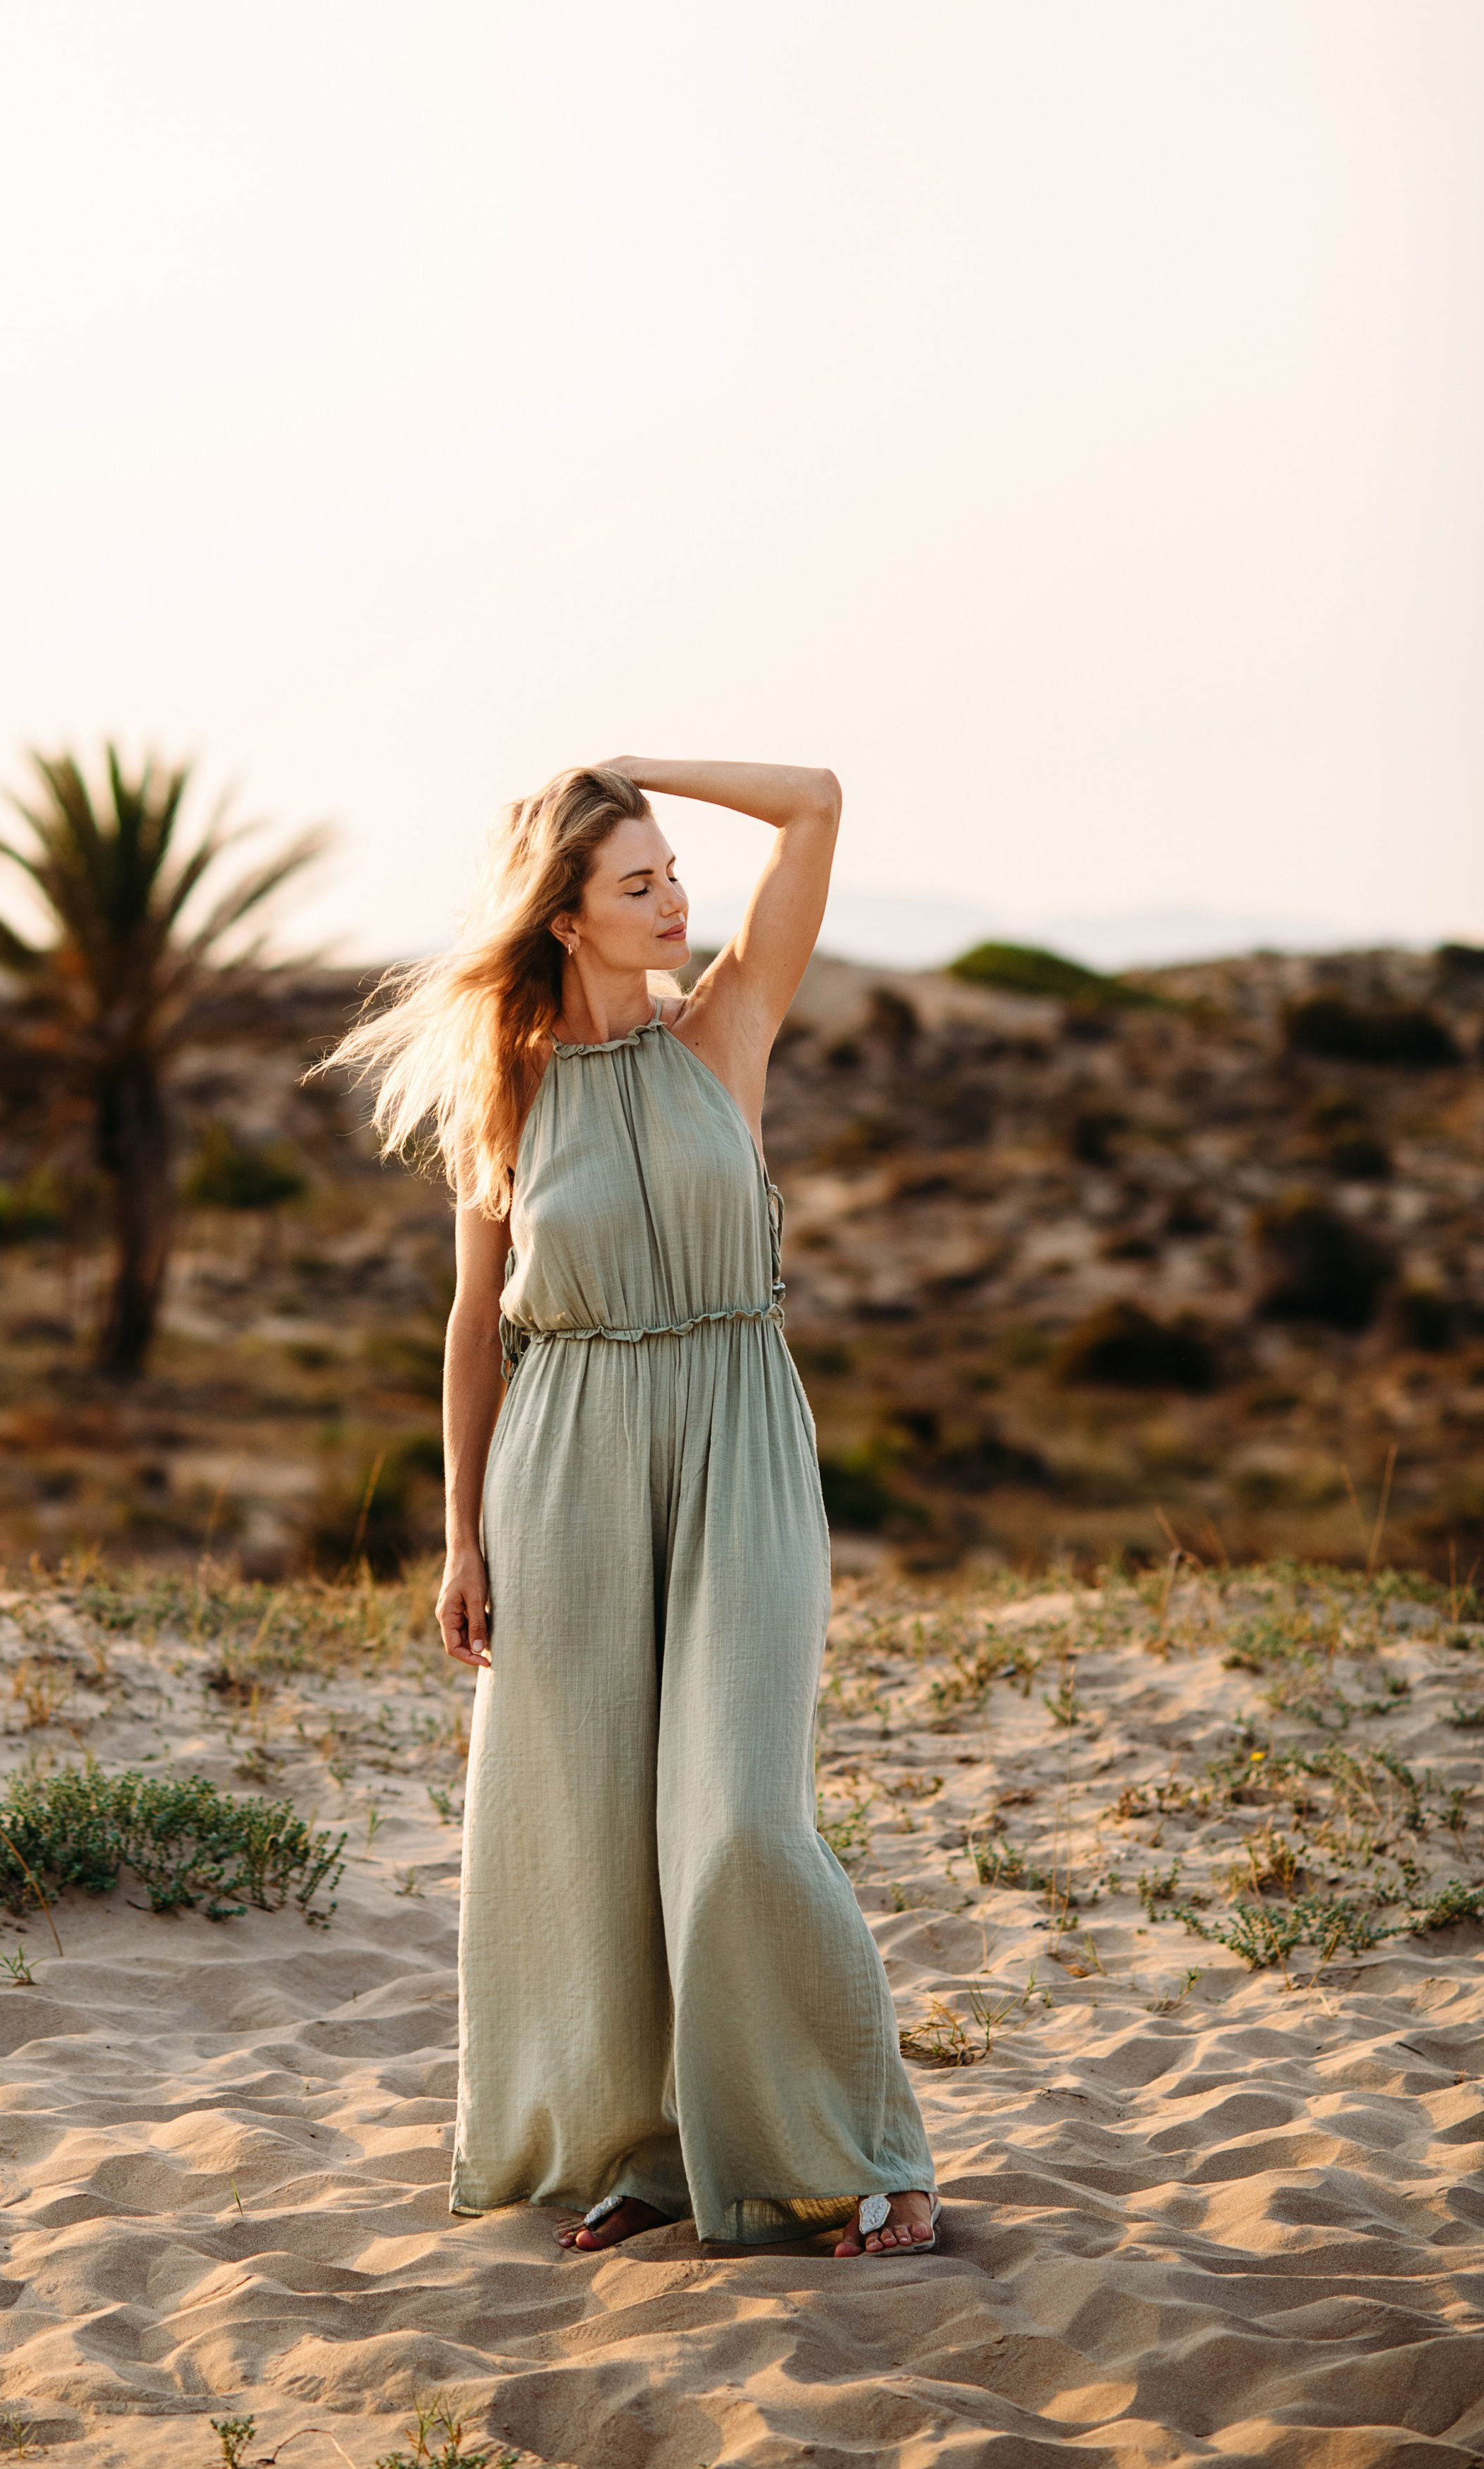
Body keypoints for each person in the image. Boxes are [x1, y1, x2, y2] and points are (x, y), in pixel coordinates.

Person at [325, 758, 937, 2258]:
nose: (675, 901)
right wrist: (460, 1537)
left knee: (741, 1818)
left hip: (738, 1438)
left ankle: (869, 2157)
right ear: (565, 917)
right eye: (638, 882)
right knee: (589, 1827)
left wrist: (635, 772)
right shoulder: (508, 1091)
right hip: (567, 1462)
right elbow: (474, 1329)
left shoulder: (726, 1025)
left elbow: (814, 804)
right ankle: (641, 2151)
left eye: (673, 872)